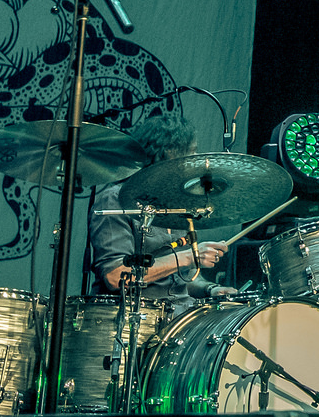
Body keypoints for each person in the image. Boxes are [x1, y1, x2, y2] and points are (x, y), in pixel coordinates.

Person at [87, 113, 229, 304]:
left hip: (181, 312)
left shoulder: (179, 204)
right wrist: (189, 256)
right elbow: (115, 276)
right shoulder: (115, 200)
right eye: (192, 152)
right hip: (135, 315)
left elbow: (184, 279)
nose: (196, 159)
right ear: (169, 153)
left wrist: (210, 289)